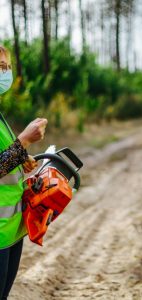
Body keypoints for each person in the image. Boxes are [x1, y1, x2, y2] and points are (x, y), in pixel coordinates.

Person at [0, 46, 48, 300]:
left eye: (6, 67)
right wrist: (24, 141)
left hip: (10, 229)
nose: (4, 72)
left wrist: (21, 159)